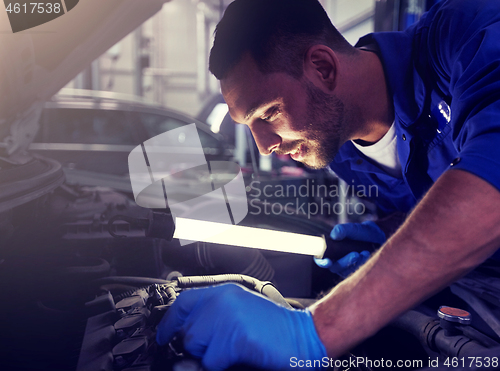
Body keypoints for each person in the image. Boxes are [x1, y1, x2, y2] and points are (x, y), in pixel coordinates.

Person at [156, 0, 500, 369]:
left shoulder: (467, 32)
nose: (264, 146)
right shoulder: (339, 150)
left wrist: (313, 332)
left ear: (323, 67)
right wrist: (388, 235)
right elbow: (427, 209)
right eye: (249, 126)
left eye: (268, 113)